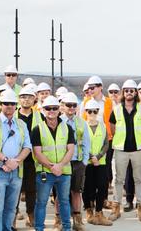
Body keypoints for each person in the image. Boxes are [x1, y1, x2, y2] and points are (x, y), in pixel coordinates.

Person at [0, 89, 32, 231]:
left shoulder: (21, 124)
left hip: (15, 173)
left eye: (12, 103)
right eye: (6, 103)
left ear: (16, 106)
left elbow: (28, 146)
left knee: (11, 210)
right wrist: (5, 160)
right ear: (0, 104)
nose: (9, 106)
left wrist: (15, 162)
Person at [108, 79, 141, 222]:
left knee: (139, 179)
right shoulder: (116, 109)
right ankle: (116, 209)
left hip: (138, 150)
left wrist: (140, 142)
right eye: (126, 90)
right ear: (123, 92)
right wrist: (119, 141)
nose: (129, 93)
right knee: (119, 180)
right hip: (121, 150)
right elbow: (112, 128)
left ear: (135, 92)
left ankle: (140, 209)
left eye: (131, 90)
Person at [31, 95, 76, 231]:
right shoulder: (37, 129)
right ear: (43, 110)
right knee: (41, 203)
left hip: (64, 172)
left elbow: (71, 150)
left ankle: (67, 228)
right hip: (45, 172)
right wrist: (52, 167)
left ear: (59, 110)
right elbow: (37, 153)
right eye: (48, 108)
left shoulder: (67, 128)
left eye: (54, 108)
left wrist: (60, 166)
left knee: (64, 202)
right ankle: (39, 228)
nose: (51, 110)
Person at [14, 85, 44, 227]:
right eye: (23, 97)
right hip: (15, 158)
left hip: (33, 159)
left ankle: (30, 215)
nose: (26, 100)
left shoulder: (39, 116)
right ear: (19, 99)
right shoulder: (12, 115)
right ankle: (12, 216)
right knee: (15, 190)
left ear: (34, 99)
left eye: (30, 97)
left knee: (32, 190)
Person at [60, 92, 91, 230]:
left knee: (76, 192)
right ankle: (60, 220)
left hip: (77, 162)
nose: (71, 108)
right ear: (63, 106)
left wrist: (84, 162)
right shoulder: (58, 121)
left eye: (74, 105)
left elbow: (86, 143)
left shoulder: (81, 122)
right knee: (61, 193)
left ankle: (77, 221)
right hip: (62, 162)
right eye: (69, 105)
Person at [82, 99, 113, 226]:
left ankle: (99, 212)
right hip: (88, 163)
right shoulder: (82, 127)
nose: (93, 113)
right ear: (86, 112)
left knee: (101, 187)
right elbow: (81, 144)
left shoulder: (103, 126)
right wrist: (91, 157)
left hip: (101, 162)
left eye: (95, 111)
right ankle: (89, 210)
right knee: (88, 187)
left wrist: (98, 156)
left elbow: (106, 144)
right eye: (90, 111)